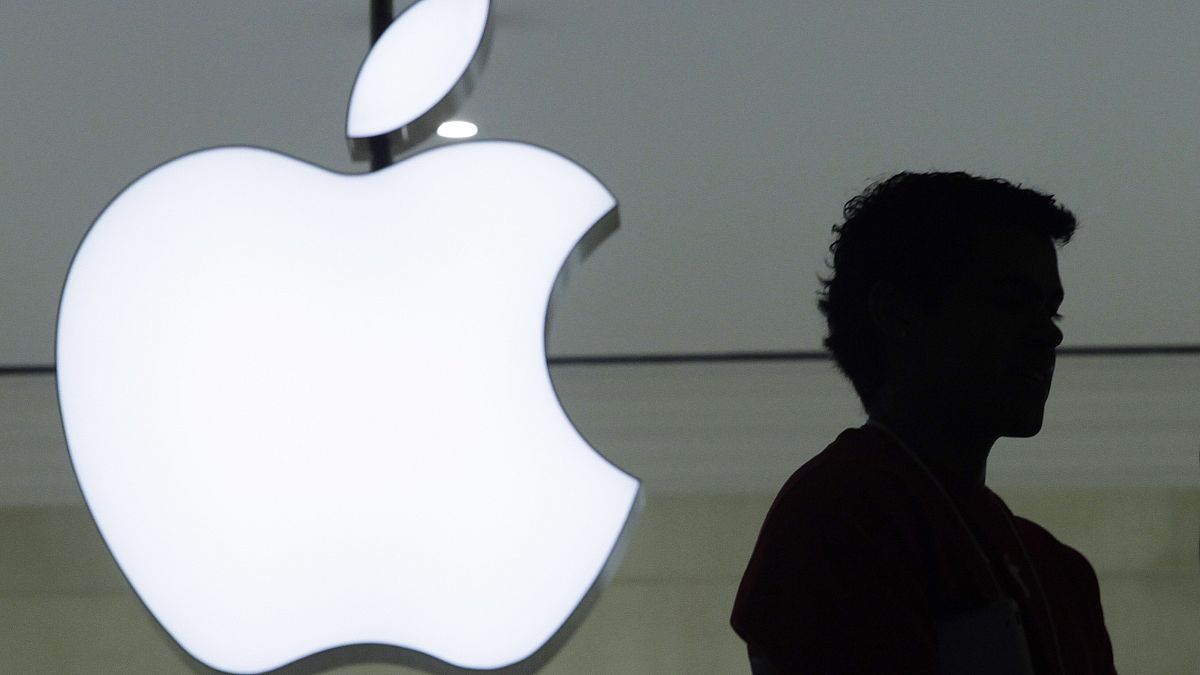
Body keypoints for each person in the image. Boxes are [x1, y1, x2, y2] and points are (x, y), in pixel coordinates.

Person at [730, 172, 1116, 673]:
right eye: (1010, 302)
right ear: (897, 314)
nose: (1047, 335)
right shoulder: (843, 514)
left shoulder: (1060, 572)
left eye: (1052, 312)